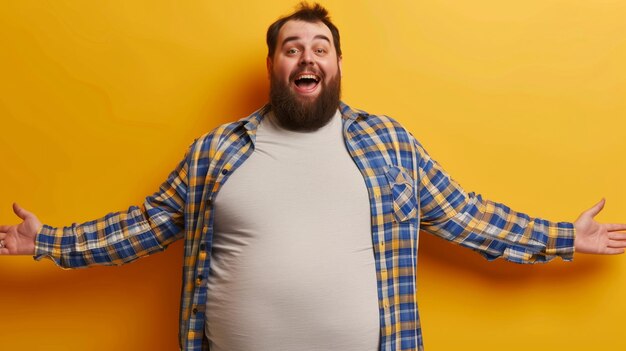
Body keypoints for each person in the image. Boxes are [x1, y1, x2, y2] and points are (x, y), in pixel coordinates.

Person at [1, 2, 625, 351]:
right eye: (292, 47)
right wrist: (48, 241)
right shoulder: (217, 151)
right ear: (274, 64)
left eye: (320, 46)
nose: (307, 56)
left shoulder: (389, 145)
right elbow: (146, 225)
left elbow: (464, 214)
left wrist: (565, 238)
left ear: (337, 64)